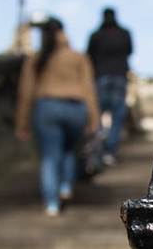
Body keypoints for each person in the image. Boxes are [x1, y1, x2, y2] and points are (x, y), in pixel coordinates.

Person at [16, 17, 100, 216]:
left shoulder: (36, 58)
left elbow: (26, 91)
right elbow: (89, 88)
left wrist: (22, 122)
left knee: (50, 155)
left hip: (46, 108)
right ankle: (65, 186)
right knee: (69, 150)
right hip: (76, 109)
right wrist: (94, 118)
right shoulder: (78, 57)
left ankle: (52, 202)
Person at [86, 7, 134, 164]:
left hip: (100, 76)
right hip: (119, 76)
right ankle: (109, 151)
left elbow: (89, 56)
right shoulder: (124, 34)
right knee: (117, 117)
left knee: (97, 115)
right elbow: (129, 50)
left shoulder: (96, 35)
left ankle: (98, 149)